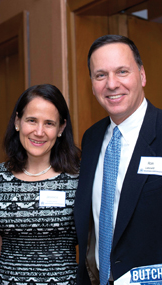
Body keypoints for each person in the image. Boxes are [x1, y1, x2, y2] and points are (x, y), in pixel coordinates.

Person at [74, 34, 162, 285]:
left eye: (122, 71)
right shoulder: (91, 139)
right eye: (100, 75)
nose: (111, 84)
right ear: (92, 84)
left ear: (142, 75)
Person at [0, 84, 80, 284]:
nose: (39, 132)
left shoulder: (77, 177)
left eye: (49, 123)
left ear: (61, 128)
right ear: (17, 121)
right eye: (31, 120)